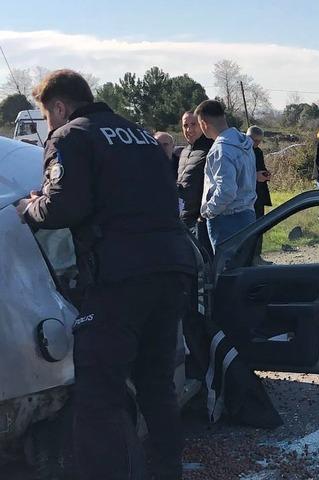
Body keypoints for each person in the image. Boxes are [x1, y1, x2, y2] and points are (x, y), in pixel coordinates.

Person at [16, 69, 195, 480]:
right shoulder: (139, 136)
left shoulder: (71, 136)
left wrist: (30, 207)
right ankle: (167, 472)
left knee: (99, 395)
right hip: (171, 268)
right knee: (156, 384)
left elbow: (63, 207)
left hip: (120, 279)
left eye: (46, 116)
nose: (48, 125)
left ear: (59, 107)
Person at [195, 100, 257, 252]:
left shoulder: (221, 149)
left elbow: (226, 190)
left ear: (204, 123)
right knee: (244, 269)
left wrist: (208, 211)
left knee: (226, 271)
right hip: (248, 215)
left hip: (227, 219)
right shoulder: (244, 143)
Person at [176, 111, 214, 251]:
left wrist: (202, 217)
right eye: (185, 125)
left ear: (202, 125)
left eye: (193, 124)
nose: (189, 129)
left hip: (202, 221)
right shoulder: (184, 152)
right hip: (183, 218)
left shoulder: (211, 149)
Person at [247, 126, 272, 264]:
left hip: (259, 194)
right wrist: (254, 176)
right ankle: (249, 258)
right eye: (254, 140)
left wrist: (265, 174)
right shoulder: (241, 152)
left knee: (259, 226)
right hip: (247, 196)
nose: (257, 144)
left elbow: (260, 168)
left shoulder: (258, 152)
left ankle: (257, 256)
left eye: (259, 141)